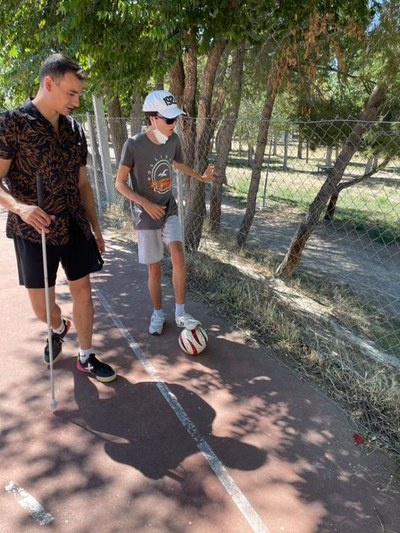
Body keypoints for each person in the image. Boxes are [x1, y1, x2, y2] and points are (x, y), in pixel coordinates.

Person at [0, 53, 116, 383]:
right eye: (72, 93)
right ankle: (57, 326)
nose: (76, 101)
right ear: (49, 83)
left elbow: (83, 184)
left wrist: (95, 227)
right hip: (33, 230)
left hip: (74, 224)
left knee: (83, 291)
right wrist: (21, 207)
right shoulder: (11, 124)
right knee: (43, 308)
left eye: (80, 94)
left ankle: (86, 355)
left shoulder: (74, 130)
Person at [115, 90, 215, 335]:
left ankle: (180, 313)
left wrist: (201, 177)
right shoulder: (134, 144)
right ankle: (158, 313)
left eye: (176, 119)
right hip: (146, 216)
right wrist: (145, 204)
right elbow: (119, 183)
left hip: (168, 208)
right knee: (155, 269)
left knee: (179, 256)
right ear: (152, 118)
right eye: (169, 119)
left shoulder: (173, 140)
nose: (174, 124)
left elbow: (178, 164)